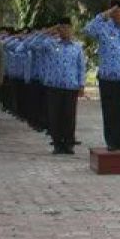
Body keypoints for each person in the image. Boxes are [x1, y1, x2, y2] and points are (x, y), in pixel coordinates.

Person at [84, 0, 120, 152]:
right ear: (111, 13)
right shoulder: (103, 29)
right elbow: (88, 30)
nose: (119, 14)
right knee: (109, 111)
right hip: (108, 78)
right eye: (116, 11)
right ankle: (111, 141)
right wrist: (105, 14)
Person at [29, 19, 87, 155]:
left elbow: (81, 67)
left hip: (71, 86)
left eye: (67, 28)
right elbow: (32, 44)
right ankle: (57, 144)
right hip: (54, 85)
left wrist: (81, 84)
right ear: (58, 30)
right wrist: (48, 31)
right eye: (61, 28)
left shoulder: (77, 47)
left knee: (69, 116)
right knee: (55, 116)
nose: (64, 31)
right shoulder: (50, 44)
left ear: (71, 29)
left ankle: (68, 144)